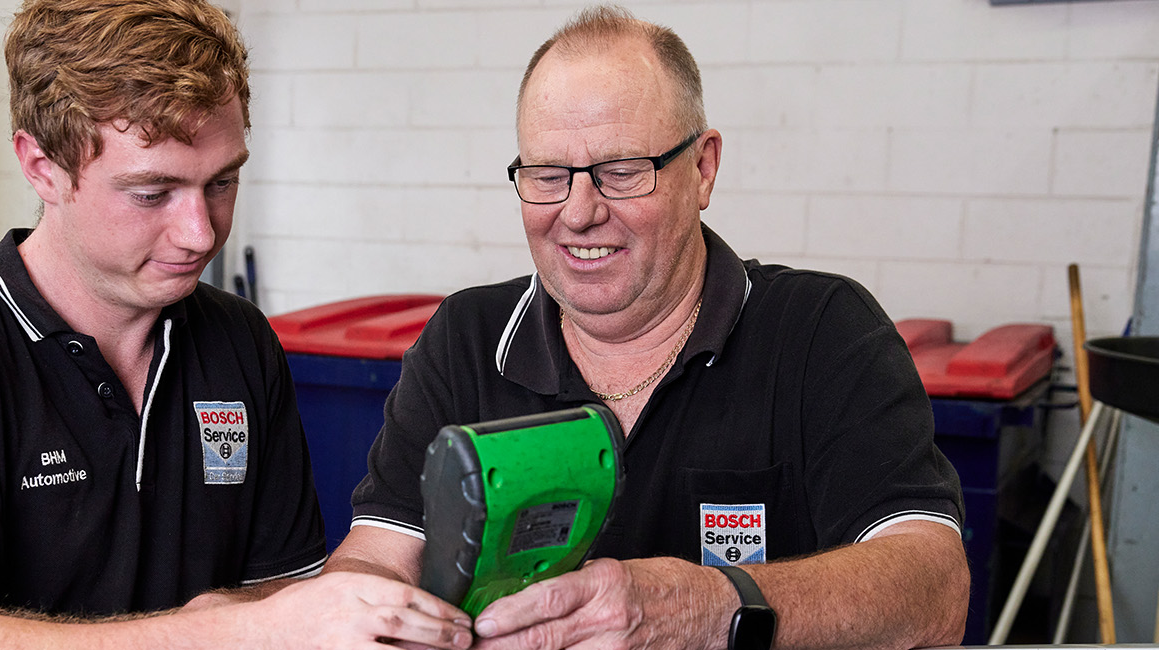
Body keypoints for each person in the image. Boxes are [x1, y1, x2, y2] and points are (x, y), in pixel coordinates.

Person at [0, 1, 473, 647]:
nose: (200, 234)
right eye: (152, 193)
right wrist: (225, 631)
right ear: (41, 165)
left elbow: (283, 592)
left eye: (221, 182)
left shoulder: (241, 342)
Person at [327, 6, 970, 650]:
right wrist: (364, 620)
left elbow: (935, 587)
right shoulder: (466, 338)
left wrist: (714, 607)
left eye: (622, 171)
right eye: (548, 176)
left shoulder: (820, 332)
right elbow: (377, 558)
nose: (579, 213)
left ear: (703, 169)